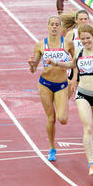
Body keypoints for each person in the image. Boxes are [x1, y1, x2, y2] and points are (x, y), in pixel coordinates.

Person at [46, 24, 93, 175]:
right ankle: (91, 164)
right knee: (87, 128)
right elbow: (72, 64)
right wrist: (55, 63)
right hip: (82, 94)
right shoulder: (79, 51)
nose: (86, 41)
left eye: (88, 38)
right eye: (83, 39)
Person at [28, 15, 75, 162]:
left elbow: (76, 62)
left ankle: (61, 104)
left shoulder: (67, 43)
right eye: (52, 24)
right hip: (45, 85)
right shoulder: (40, 45)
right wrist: (32, 64)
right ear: (48, 27)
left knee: (63, 119)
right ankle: (52, 147)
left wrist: (74, 78)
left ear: (60, 27)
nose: (54, 27)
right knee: (51, 118)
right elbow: (33, 69)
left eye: (57, 25)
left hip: (61, 84)